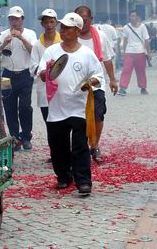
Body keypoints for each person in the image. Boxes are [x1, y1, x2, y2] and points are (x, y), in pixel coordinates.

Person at [38, 12, 104, 195]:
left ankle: (83, 181)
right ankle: (64, 177)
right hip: (56, 108)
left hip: (79, 108)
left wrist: (90, 83)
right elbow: (41, 71)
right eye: (63, 27)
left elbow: (98, 76)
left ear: (77, 30)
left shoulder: (87, 54)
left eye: (67, 28)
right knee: (57, 146)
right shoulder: (51, 51)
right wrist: (44, 74)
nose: (63, 30)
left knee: (80, 145)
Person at [75, 6, 118, 163]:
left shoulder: (100, 36)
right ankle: (80, 147)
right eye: (79, 20)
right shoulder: (70, 36)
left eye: (85, 20)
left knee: (98, 115)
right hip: (76, 85)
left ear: (91, 20)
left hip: (96, 83)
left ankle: (94, 144)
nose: (82, 23)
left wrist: (113, 79)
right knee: (78, 118)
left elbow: (107, 59)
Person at [0, 5, 37, 151]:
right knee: (9, 107)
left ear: (22, 19)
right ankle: (14, 138)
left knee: (25, 106)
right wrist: (5, 43)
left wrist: (21, 37)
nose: (14, 22)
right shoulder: (3, 34)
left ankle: (26, 136)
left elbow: (34, 52)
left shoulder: (30, 33)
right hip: (7, 74)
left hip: (25, 74)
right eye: (11, 19)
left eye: (17, 19)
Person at [30, 9, 61, 123]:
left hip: (61, 87)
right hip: (44, 88)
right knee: (48, 122)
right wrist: (47, 69)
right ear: (42, 24)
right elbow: (33, 67)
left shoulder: (63, 42)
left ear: (56, 23)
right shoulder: (37, 45)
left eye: (52, 22)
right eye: (46, 22)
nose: (49, 25)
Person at [118, 10, 150, 96]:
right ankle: (122, 88)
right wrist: (124, 52)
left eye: (134, 16)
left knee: (141, 71)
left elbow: (146, 40)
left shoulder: (143, 27)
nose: (133, 17)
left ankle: (143, 88)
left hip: (140, 52)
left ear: (137, 17)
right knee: (126, 70)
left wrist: (148, 52)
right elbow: (125, 40)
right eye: (131, 16)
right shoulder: (126, 27)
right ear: (129, 17)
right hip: (129, 52)